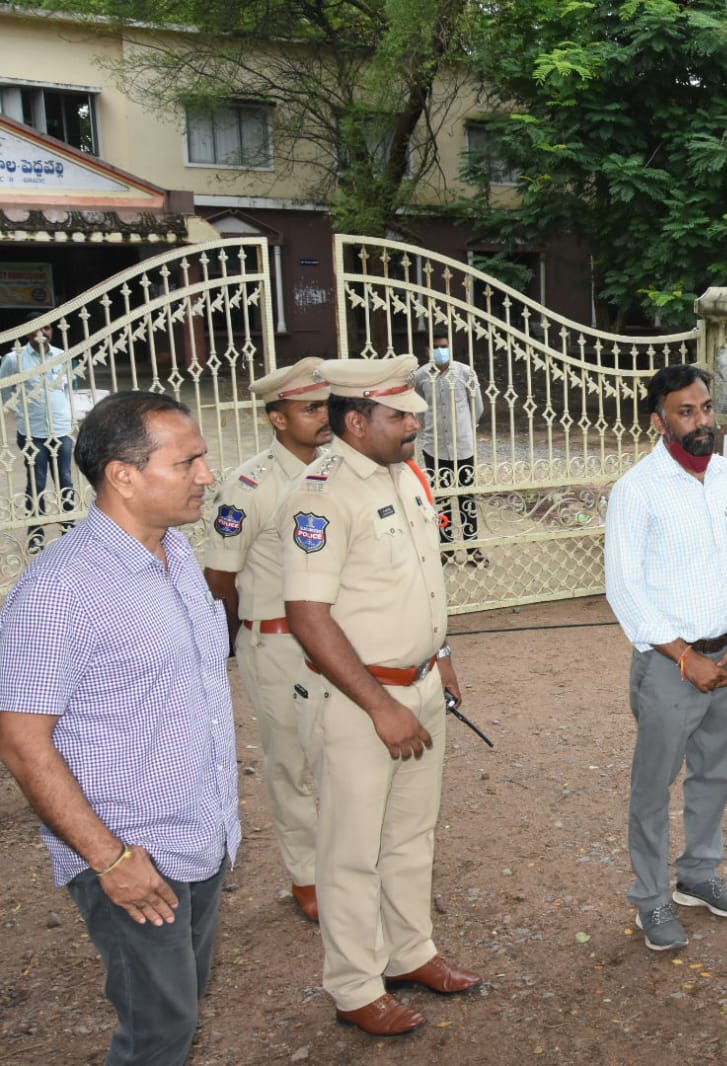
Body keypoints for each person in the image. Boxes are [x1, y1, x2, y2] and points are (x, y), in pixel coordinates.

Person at [0, 391, 240, 1066]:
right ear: (123, 477)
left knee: (179, 1012)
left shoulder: (176, 554)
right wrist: (109, 859)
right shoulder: (61, 590)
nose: (206, 475)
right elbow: (20, 741)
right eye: (187, 462)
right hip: (130, 852)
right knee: (158, 1033)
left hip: (200, 833)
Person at [280, 357, 481, 1037]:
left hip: (418, 685)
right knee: (351, 850)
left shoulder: (404, 473)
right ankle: (354, 986)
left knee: (411, 835)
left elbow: (420, 581)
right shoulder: (322, 493)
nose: (415, 425)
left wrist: (440, 657)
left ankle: (409, 952)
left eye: (413, 414)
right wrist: (380, 706)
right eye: (399, 416)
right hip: (360, 703)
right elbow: (308, 617)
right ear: (357, 421)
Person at [603, 363, 727, 951]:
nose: (702, 422)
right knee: (654, 786)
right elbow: (624, 589)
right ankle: (651, 898)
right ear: (659, 420)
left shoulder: (726, 475)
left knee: (715, 772)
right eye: (686, 412)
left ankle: (698, 875)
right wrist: (682, 656)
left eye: (706, 408)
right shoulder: (637, 490)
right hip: (670, 667)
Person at [202, 358, 331, 921]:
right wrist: (234, 646)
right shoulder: (249, 485)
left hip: (338, 644)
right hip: (277, 645)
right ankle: (308, 875)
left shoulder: (340, 470)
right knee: (290, 763)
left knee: (342, 755)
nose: (325, 417)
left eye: (328, 406)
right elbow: (219, 579)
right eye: (311, 408)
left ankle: (351, 862)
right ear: (278, 418)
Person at [1, 314, 78, 554]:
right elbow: (5, 390)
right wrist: (20, 411)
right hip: (32, 433)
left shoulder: (61, 356)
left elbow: (68, 388)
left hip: (61, 429)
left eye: (47, 328)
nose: (44, 333)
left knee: (65, 479)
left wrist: (67, 414)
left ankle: (68, 530)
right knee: (37, 483)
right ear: (28, 332)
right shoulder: (14, 359)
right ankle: (36, 534)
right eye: (38, 329)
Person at [410, 329, 487, 567]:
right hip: (435, 447)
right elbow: (417, 406)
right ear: (428, 350)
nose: (441, 351)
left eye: (444, 346)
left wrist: (465, 428)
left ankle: (473, 549)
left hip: (463, 446)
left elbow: (477, 406)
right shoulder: (421, 376)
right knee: (442, 499)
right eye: (436, 347)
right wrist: (425, 426)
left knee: (466, 498)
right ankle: (447, 549)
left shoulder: (464, 372)